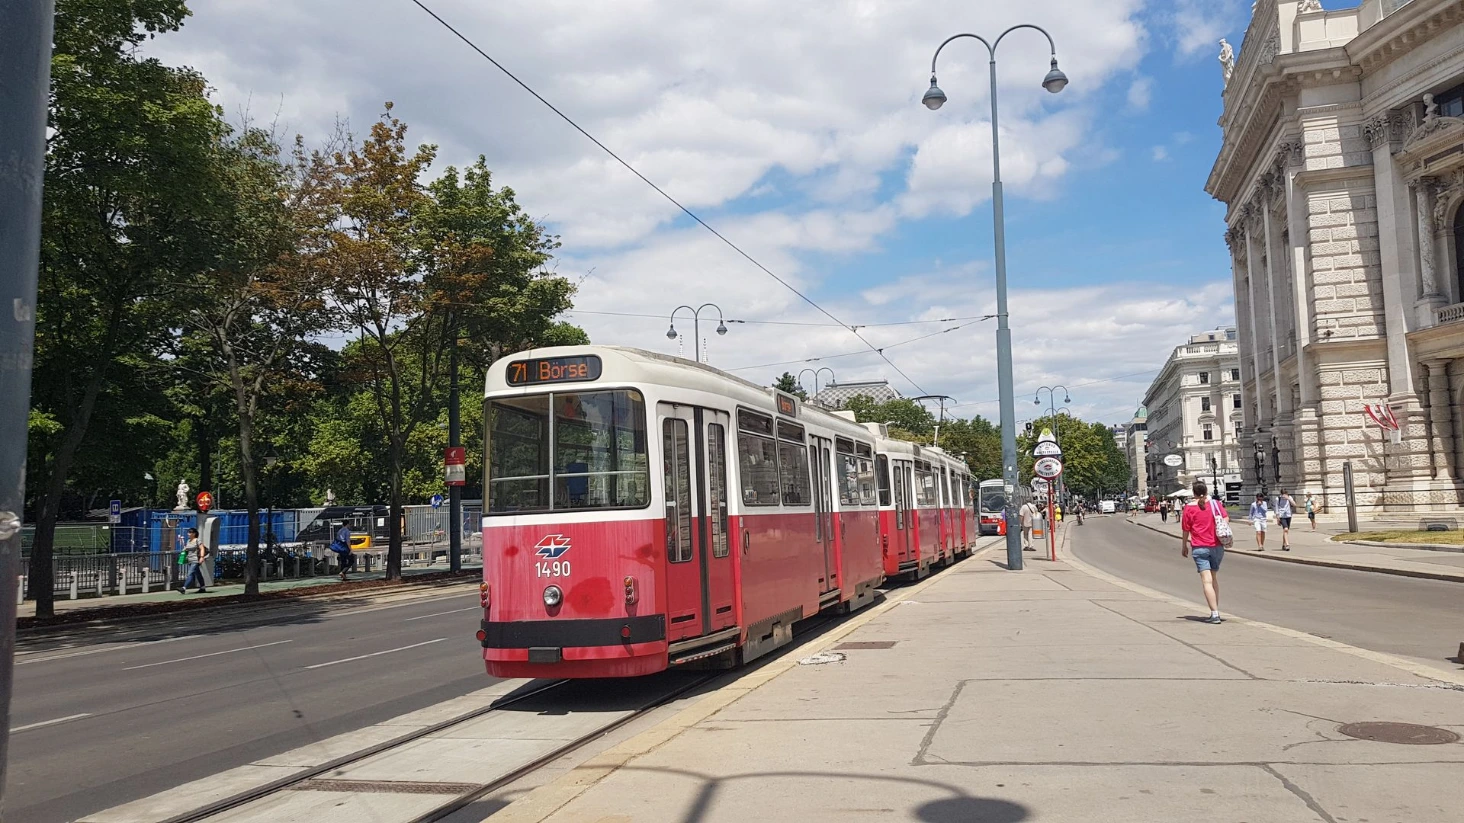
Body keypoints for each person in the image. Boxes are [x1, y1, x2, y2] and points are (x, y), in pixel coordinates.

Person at [1180, 480, 1228, 624]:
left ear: (1193, 493)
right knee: (1213, 578)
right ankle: (1215, 610)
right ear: (1206, 491)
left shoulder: (1189, 508)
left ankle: (1214, 613)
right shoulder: (1215, 504)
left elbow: (1186, 529)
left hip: (1199, 547)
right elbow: (1225, 517)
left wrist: (1184, 545)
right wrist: (1221, 527)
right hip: (1217, 546)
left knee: (1206, 581)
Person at [177, 527, 209, 594]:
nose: (188, 534)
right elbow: (187, 548)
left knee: (190, 573)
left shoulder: (197, 540)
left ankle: (184, 588)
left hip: (195, 560)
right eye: (188, 532)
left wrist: (202, 557)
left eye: (190, 532)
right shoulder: (188, 541)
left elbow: (202, 548)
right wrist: (184, 550)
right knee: (198, 574)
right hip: (189, 559)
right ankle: (202, 587)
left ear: (194, 534)